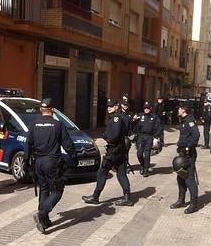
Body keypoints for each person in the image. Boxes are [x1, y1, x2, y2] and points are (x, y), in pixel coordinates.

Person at [24, 98, 77, 233]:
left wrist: (26, 162)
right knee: (58, 190)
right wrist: (74, 159)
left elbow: (27, 145)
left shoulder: (33, 125)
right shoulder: (58, 125)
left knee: (44, 189)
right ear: (52, 110)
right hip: (52, 162)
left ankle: (44, 221)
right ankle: (42, 214)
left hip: (38, 163)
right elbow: (68, 145)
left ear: (41, 110)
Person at [82, 98, 133, 206]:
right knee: (121, 174)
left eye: (111, 106)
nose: (109, 108)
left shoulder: (116, 119)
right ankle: (127, 197)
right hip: (119, 151)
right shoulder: (116, 118)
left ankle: (95, 197)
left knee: (102, 172)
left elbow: (113, 137)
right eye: (108, 106)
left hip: (113, 152)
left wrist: (105, 137)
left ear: (116, 106)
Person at [169, 102, 200, 214]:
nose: (178, 110)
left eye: (179, 109)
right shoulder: (184, 121)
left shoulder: (190, 121)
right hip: (182, 153)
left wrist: (188, 147)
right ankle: (181, 200)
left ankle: (194, 204)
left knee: (189, 178)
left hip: (188, 154)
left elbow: (196, 136)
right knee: (180, 177)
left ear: (183, 110)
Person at [134, 101, 162, 177]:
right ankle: (142, 165)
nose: (146, 109)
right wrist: (134, 120)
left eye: (148, 108)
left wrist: (156, 137)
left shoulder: (154, 117)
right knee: (139, 154)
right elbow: (134, 126)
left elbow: (159, 127)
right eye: (145, 108)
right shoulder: (140, 116)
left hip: (149, 137)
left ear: (151, 109)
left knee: (147, 154)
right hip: (141, 137)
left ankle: (146, 169)